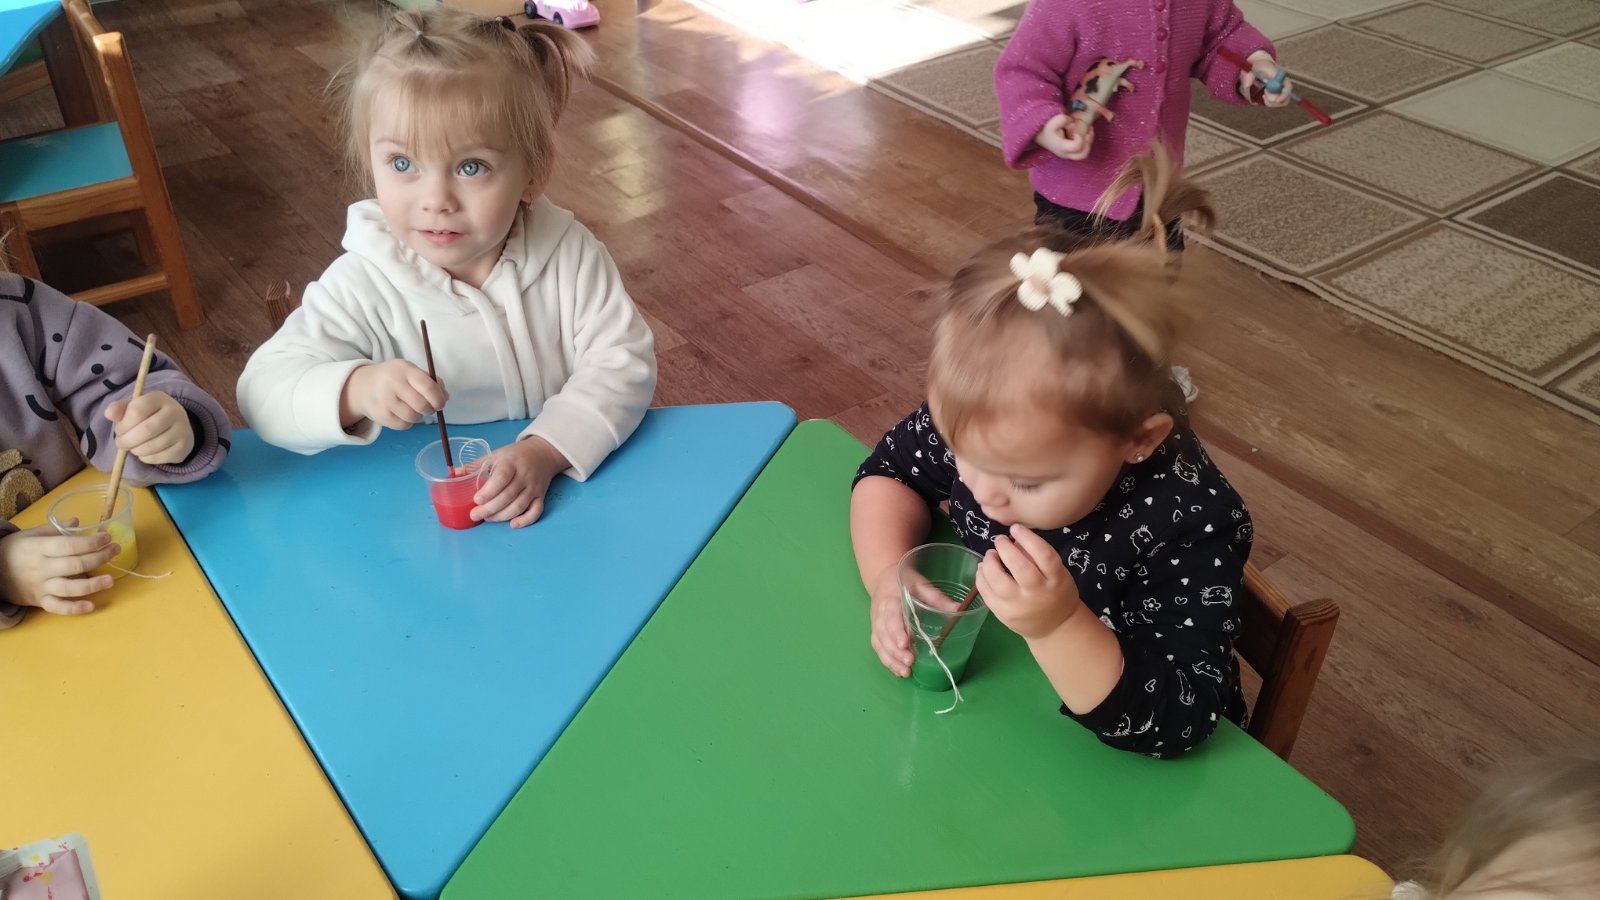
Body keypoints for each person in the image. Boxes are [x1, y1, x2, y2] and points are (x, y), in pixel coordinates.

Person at [850, 148, 1250, 757]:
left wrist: (1057, 625)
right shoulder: (995, 433)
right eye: (961, 453)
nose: (982, 491)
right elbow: (889, 472)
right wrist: (888, 574)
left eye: (1027, 482)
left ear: (1138, 440)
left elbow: (1184, 719)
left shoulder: (1188, 522)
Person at [238, 8, 655, 528]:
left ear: (533, 172)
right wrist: (356, 389)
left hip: (571, 501)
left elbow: (624, 363)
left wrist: (546, 450)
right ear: (369, 162)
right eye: (402, 164)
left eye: (471, 166)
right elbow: (261, 394)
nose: (435, 199)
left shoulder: (570, 255)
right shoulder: (363, 283)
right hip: (413, 519)